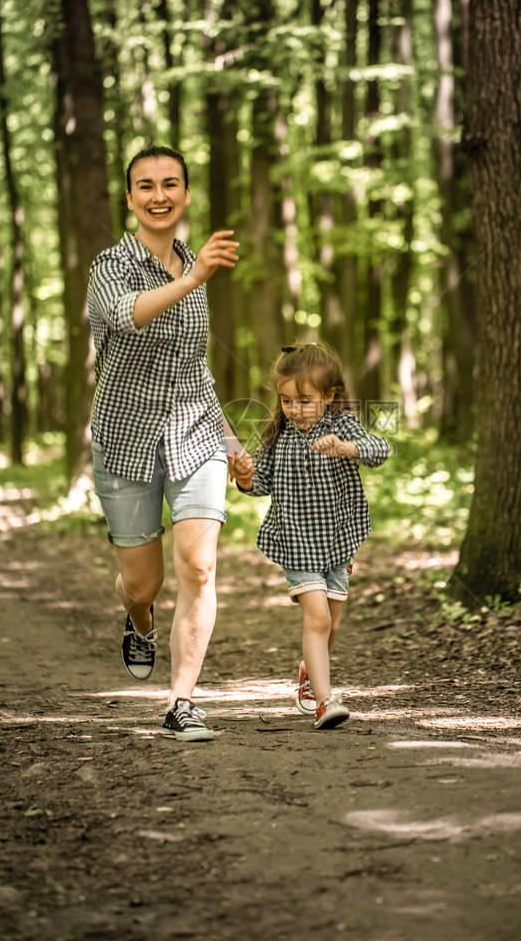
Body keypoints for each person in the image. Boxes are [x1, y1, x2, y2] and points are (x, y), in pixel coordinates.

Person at [87, 145, 243, 742]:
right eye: (145, 186)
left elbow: (195, 367)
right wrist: (195, 277)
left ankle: (182, 702)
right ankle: (139, 619)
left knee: (200, 569)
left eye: (170, 184)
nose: (159, 195)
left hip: (194, 433)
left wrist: (229, 439)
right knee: (142, 583)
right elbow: (128, 315)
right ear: (129, 198)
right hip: (125, 440)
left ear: (185, 193)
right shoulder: (111, 266)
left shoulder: (193, 263)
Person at [230, 342, 390, 730]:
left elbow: (380, 448)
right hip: (297, 542)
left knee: (330, 624)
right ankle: (324, 701)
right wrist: (246, 477)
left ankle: (309, 673)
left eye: (304, 400)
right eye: (286, 401)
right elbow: (261, 483)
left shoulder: (341, 425)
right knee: (317, 619)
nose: (294, 410)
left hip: (338, 540)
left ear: (329, 396)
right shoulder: (277, 436)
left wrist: (346, 448)